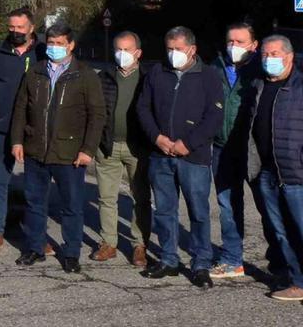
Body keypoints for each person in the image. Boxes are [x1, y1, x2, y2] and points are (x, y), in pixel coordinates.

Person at [11, 23, 106, 274]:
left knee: (72, 205)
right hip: (36, 150)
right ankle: (35, 247)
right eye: (50, 43)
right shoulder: (36, 72)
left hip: (70, 154)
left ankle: (72, 252)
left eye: (59, 44)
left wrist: (87, 149)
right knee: (34, 202)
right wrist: (17, 141)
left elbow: (97, 115)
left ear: (71, 45)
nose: (54, 48)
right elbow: (21, 108)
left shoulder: (85, 75)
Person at [137, 26, 223, 289]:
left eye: (178, 49)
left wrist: (189, 142)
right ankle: (169, 259)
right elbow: (143, 107)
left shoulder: (208, 76)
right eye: (169, 49)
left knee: (198, 212)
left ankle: (200, 264)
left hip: (192, 156)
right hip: (160, 154)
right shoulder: (157, 73)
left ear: (192, 49)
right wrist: (157, 138)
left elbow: (214, 116)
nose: (173, 54)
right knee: (164, 210)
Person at [210, 23, 282, 280]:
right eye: (231, 41)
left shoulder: (262, 70)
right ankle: (232, 259)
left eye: (240, 42)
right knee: (228, 205)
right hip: (222, 148)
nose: (234, 47)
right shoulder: (216, 67)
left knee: (268, 207)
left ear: (254, 44)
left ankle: (280, 262)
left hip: (253, 150)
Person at [244, 35, 303, 301]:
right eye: (266, 55)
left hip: (296, 174)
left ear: (289, 57)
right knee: (280, 231)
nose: (269, 59)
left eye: (275, 54)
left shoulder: (300, 87)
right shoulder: (258, 86)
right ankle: (297, 280)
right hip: (267, 172)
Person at [0, 7, 46, 255]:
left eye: (20, 28)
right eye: (11, 28)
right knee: (0, 182)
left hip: (34, 130)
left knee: (36, 187)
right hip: (3, 129)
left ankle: (38, 236)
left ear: (31, 28)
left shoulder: (43, 53)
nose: (15, 32)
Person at [91, 31, 150, 267]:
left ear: (138, 53)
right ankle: (108, 243)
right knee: (106, 197)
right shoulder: (104, 77)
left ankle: (139, 245)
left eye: (127, 50)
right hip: (108, 145)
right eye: (118, 49)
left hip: (138, 147)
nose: (122, 54)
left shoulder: (148, 78)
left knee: (141, 198)